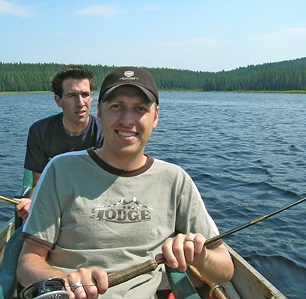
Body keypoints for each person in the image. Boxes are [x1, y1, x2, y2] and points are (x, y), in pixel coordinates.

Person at [16, 66, 234, 298]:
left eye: (140, 109)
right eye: (117, 106)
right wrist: (63, 281)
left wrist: (200, 255)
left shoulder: (175, 179)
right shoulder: (60, 170)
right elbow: (28, 261)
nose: (128, 120)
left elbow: (225, 269)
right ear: (99, 113)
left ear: (155, 117)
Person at [15, 65, 104, 220]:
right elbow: (39, 182)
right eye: (72, 95)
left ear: (91, 97)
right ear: (58, 100)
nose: (80, 102)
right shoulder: (40, 131)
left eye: (85, 94)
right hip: (54, 206)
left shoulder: (104, 133)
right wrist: (31, 202)